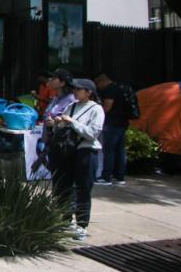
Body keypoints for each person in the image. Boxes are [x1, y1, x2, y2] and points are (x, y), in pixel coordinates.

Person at [48, 78, 104, 241]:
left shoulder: (96, 109)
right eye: (75, 89)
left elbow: (92, 133)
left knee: (83, 189)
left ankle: (82, 225)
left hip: (86, 151)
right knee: (64, 187)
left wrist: (72, 122)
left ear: (89, 92)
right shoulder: (71, 106)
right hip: (68, 151)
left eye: (79, 89)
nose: (75, 92)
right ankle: (65, 221)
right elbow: (62, 128)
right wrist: (57, 123)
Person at [94, 73, 130, 186]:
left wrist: (98, 114)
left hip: (112, 123)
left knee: (109, 151)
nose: (98, 88)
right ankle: (119, 176)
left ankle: (106, 177)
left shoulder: (110, 90)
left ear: (102, 81)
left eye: (98, 84)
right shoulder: (121, 88)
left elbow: (107, 108)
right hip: (122, 123)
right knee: (120, 150)